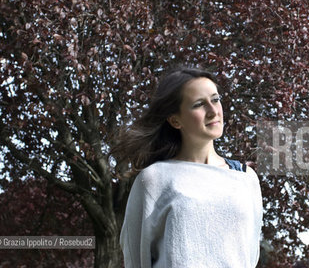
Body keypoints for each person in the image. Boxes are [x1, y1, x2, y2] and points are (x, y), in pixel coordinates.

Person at [112, 66, 263, 268]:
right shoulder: (154, 179)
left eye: (215, 99)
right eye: (199, 104)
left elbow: (250, 255)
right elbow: (135, 258)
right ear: (175, 120)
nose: (213, 111)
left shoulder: (246, 178)